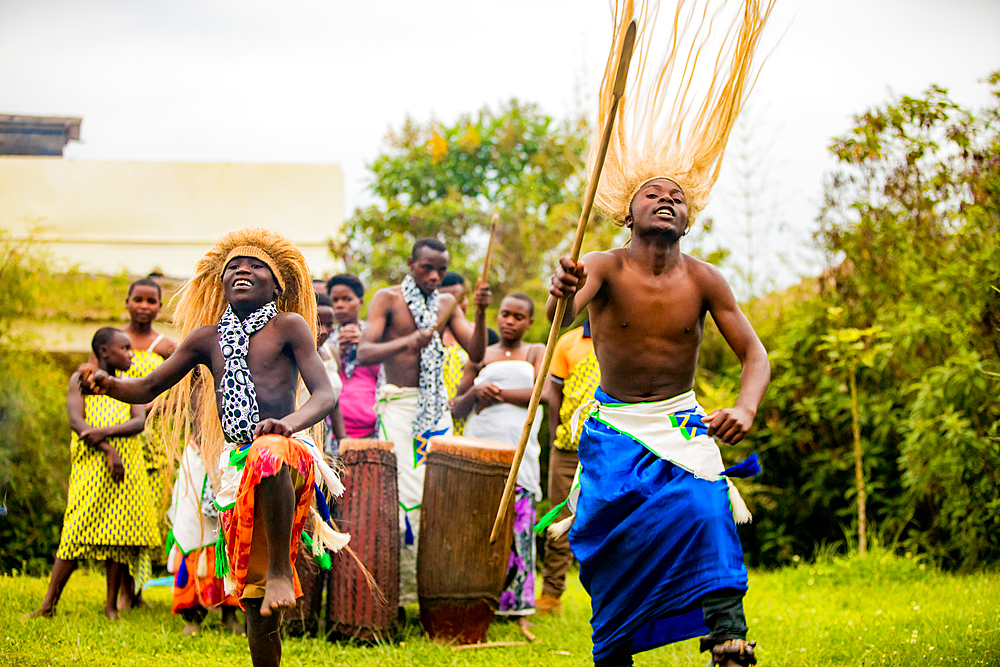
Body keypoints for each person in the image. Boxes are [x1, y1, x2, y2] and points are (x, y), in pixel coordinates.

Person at [543, 3, 773, 665]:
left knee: (707, 511)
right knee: (610, 535)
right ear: (628, 211)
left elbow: (753, 351)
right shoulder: (601, 266)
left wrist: (746, 407)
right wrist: (561, 291)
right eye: (653, 193)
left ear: (689, 216)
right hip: (614, 425)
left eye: (677, 195)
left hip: (682, 421)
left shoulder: (705, 280)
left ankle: (728, 634)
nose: (667, 197)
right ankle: (616, 645)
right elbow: (562, 313)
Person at [79, 228, 346, 667]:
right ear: (221, 284)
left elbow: (323, 394)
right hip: (237, 466)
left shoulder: (289, 326)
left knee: (270, 451)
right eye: (233, 267)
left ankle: (282, 568)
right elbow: (146, 388)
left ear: (277, 285)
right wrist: (108, 384)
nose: (242, 269)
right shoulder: (207, 339)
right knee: (254, 601)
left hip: (289, 452)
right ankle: (267, 589)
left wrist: (289, 423)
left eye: (255, 265)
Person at [356, 238, 490, 606]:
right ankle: (399, 595)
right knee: (405, 497)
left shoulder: (446, 304)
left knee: (437, 493)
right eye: (427, 268)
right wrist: (409, 342)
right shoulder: (388, 298)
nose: (434, 276)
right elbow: (363, 354)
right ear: (412, 264)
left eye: (441, 270)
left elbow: (476, 352)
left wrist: (479, 312)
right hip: (398, 406)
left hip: (434, 409)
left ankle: (430, 591)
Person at [25, 328, 158, 621]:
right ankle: (48, 604)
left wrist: (102, 433)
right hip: (92, 465)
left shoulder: (130, 384)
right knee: (75, 531)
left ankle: (111, 607)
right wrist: (109, 449)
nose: (131, 354)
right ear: (104, 351)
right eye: (124, 348)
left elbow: (137, 423)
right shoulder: (81, 381)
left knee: (118, 535)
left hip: (127, 469)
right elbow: (76, 421)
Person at [453, 293, 544, 640]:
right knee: (480, 525)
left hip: (520, 448)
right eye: (505, 314)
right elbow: (457, 408)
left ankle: (519, 607)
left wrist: (500, 394)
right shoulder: (481, 355)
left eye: (519, 316)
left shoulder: (536, 351)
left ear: (529, 322)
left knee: (519, 527)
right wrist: (476, 392)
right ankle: (480, 598)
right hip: (483, 444)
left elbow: (544, 393)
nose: (510, 321)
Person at [535, 319, 600, 617]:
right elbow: (554, 397)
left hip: (612, 446)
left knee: (616, 518)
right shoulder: (568, 342)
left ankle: (619, 596)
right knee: (560, 518)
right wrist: (555, 439)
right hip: (567, 446)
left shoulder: (626, 340)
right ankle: (550, 595)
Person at [165, 436, 243, 636]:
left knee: (228, 535)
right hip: (197, 458)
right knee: (191, 532)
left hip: (229, 454)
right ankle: (191, 615)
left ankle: (230, 612)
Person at [326, 273, 381, 440]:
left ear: (360, 302)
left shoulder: (374, 336)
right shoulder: (324, 337)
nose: (340, 305)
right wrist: (338, 354)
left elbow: (385, 377)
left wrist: (364, 347)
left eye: (347, 299)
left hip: (373, 429)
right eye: (335, 300)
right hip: (333, 430)